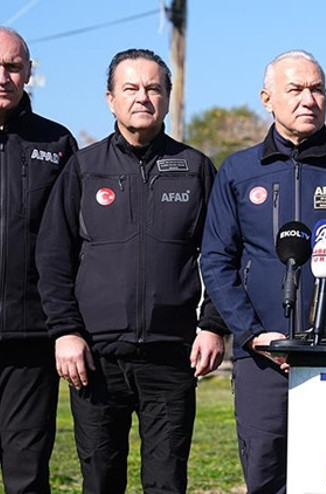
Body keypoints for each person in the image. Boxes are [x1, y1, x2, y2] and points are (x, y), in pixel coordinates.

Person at [35, 48, 226, 493]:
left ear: (168, 96)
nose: (142, 97)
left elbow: (222, 255)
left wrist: (213, 325)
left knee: (166, 482)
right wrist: (65, 332)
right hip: (95, 362)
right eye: (130, 88)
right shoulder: (83, 169)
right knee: (100, 481)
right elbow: (53, 258)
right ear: (110, 99)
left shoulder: (196, 170)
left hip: (171, 360)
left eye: (153, 88)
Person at [200, 50, 326, 494]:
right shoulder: (238, 171)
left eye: (317, 89)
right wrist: (251, 335)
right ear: (267, 98)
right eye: (296, 89)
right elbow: (216, 259)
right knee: (266, 479)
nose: (309, 99)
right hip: (261, 358)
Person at [0, 27, 77, 494]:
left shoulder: (58, 143)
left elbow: (71, 242)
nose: (3, 76)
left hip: (30, 342)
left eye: (13, 66)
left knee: (27, 475)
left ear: (29, 72)